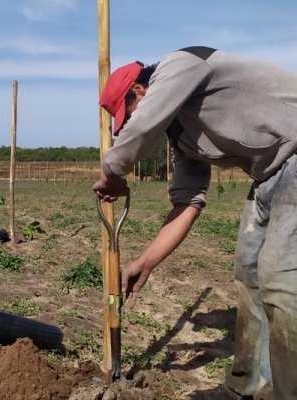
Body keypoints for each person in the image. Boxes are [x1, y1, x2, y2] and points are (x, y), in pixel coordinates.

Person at [93, 46, 297, 399]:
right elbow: (188, 202)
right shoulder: (184, 138)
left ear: (139, 91)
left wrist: (113, 170)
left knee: (280, 280)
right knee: (249, 272)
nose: (128, 128)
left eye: (127, 117)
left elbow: (142, 127)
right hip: (269, 174)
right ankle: (246, 388)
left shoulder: (180, 65)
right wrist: (146, 262)